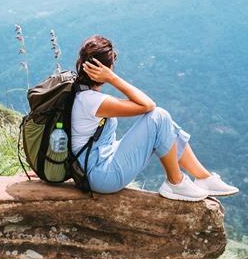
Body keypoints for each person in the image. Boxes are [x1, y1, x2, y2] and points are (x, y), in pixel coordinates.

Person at [71, 35, 238, 201]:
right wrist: (112, 79)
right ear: (106, 69)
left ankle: (204, 178)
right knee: (159, 116)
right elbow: (148, 105)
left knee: (166, 124)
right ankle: (175, 182)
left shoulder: (79, 92)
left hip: (97, 163)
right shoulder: (91, 101)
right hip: (101, 175)